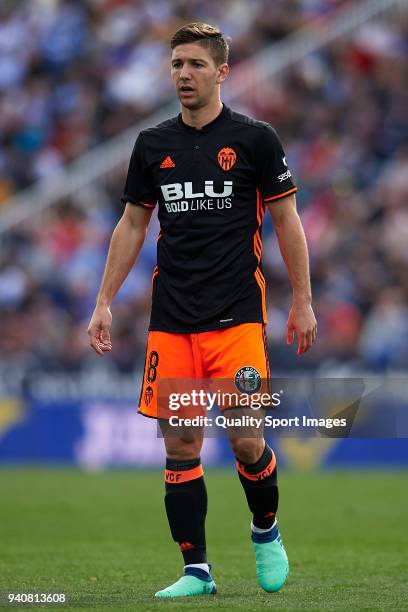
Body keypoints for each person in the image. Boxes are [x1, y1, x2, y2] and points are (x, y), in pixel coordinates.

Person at [87, 22, 317, 599]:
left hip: (239, 316)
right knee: (181, 445)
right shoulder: (152, 145)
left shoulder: (256, 140)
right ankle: (197, 571)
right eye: (176, 65)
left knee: (245, 438)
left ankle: (265, 529)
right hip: (173, 323)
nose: (183, 74)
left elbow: (287, 220)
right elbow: (133, 224)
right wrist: (104, 302)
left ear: (222, 71)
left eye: (194, 64)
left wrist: (304, 302)